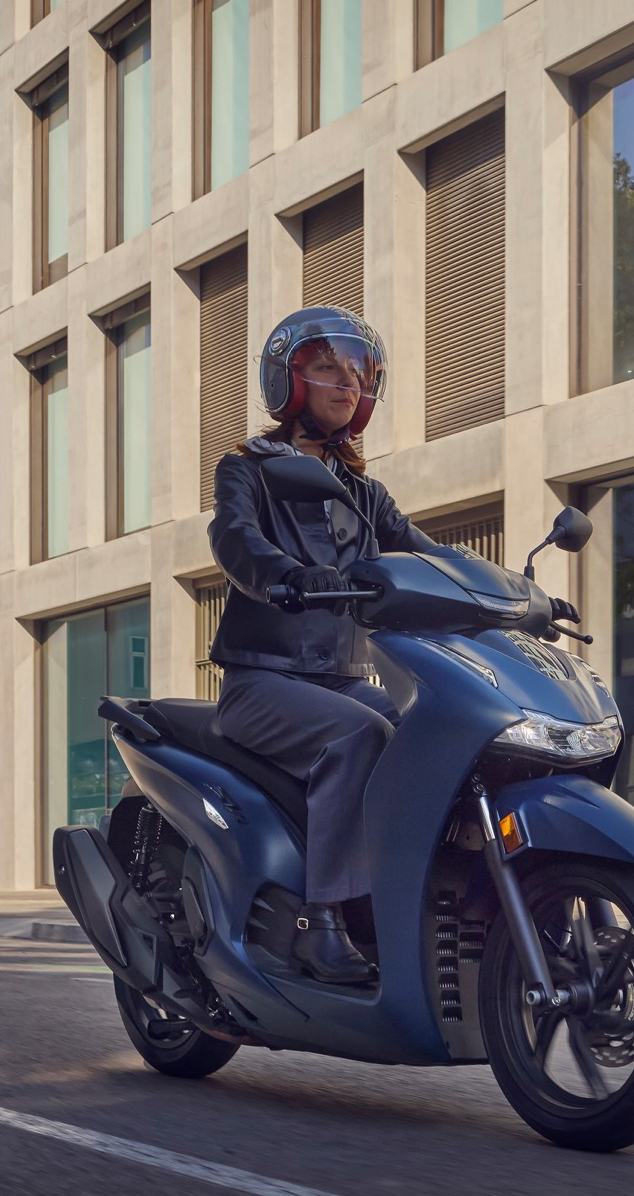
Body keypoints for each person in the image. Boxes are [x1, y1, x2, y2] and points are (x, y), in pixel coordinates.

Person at [206, 305, 445, 985]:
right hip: (261, 684)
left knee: (431, 731)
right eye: (327, 368)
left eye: (359, 374)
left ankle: (412, 905)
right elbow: (234, 538)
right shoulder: (247, 466)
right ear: (289, 380)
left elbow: (423, 554)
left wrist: (511, 592)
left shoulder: (365, 494)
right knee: (357, 739)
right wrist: (283, 575)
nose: (346, 384)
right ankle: (321, 923)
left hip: (340, 678)